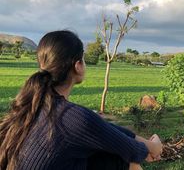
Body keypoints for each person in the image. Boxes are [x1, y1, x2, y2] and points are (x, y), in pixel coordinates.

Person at [0, 30, 163, 170]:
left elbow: (106, 131)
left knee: (107, 160)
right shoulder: (69, 116)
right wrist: (154, 146)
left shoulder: (34, 104)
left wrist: (145, 145)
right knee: (123, 162)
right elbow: (132, 151)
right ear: (77, 65)